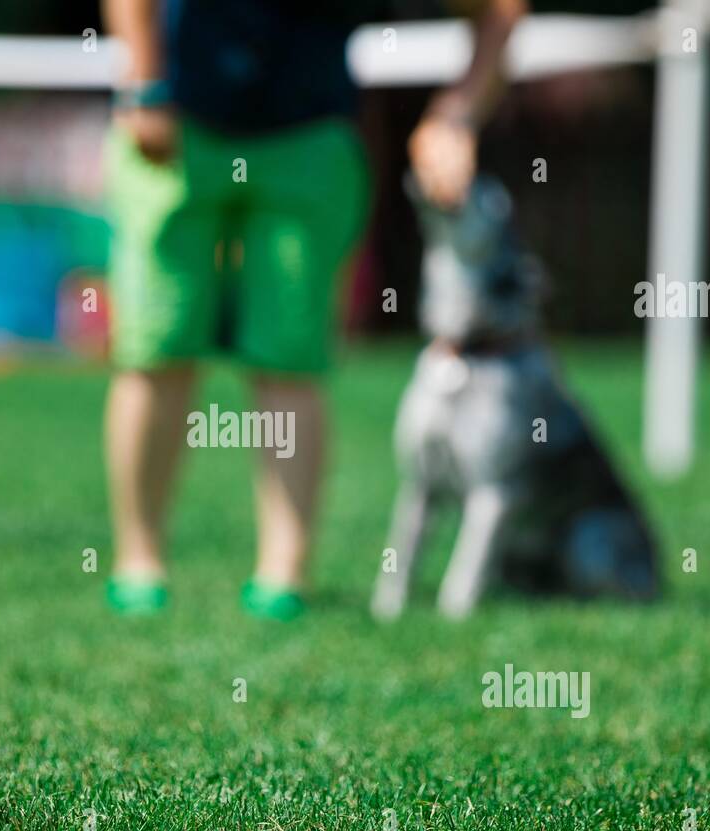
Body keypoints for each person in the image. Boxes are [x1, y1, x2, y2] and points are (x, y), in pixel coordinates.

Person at [102, 0, 526, 619]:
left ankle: (283, 577)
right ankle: (138, 563)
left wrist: (456, 115)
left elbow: (499, 11)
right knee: (156, 347)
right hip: (175, 124)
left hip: (310, 142)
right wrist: (145, 82)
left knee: (291, 359)